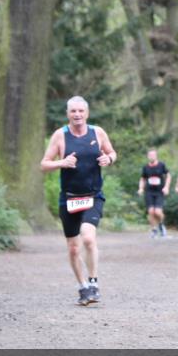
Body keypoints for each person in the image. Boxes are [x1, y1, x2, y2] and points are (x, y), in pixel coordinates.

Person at [40, 96, 117, 306]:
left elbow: (112, 152)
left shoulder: (97, 132)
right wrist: (62, 163)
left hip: (93, 196)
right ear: (68, 114)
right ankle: (83, 287)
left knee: (89, 238)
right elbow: (44, 164)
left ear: (87, 113)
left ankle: (94, 283)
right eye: (73, 111)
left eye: (81, 111)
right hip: (69, 199)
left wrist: (108, 159)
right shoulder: (60, 136)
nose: (77, 115)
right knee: (74, 248)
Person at [138, 149, 170, 237]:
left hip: (159, 191)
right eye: (150, 155)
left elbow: (168, 176)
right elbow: (143, 179)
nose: (152, 156)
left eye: (153, 155)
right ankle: (154, 229)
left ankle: (161, 225)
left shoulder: (161, 165)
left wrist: (166, 187)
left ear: (156, 156)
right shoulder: (146, 167)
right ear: (148, 156)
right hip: (149, 192)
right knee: (151, 212)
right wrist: (141, 188)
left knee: (158, 212)